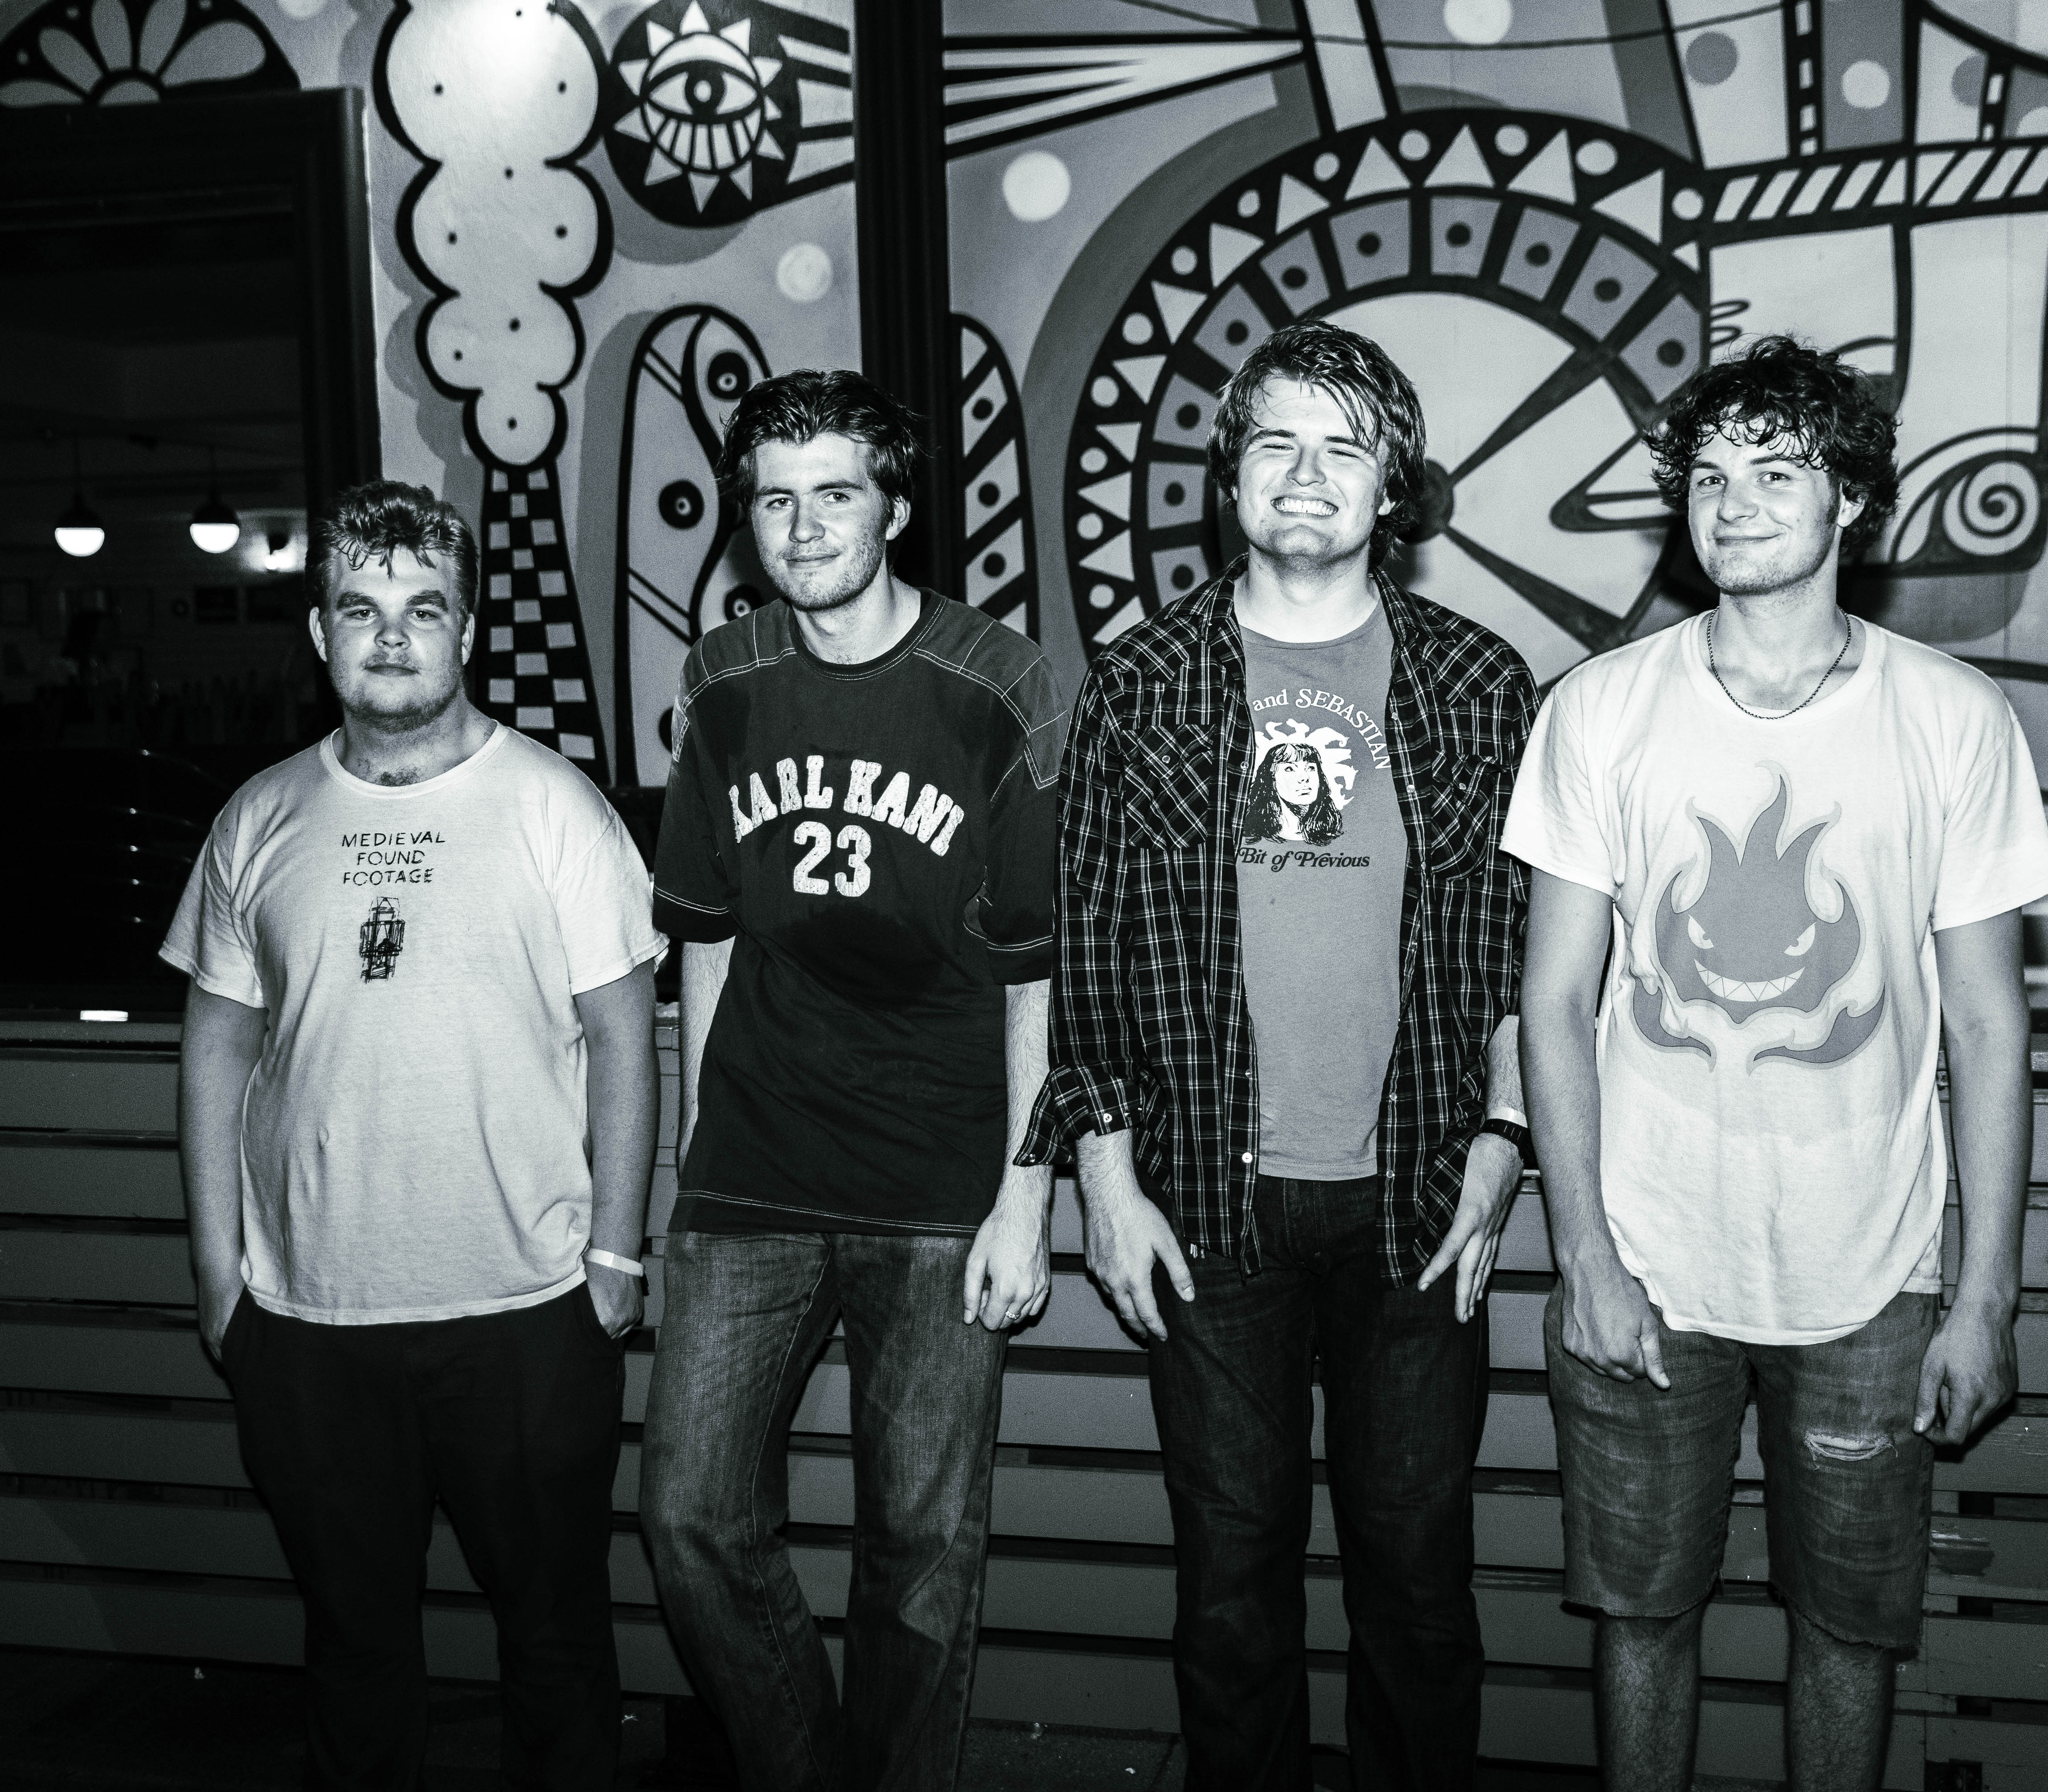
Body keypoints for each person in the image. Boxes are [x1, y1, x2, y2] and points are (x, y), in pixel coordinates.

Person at [1504, 336, 2048, 1791]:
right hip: (1647, 1259)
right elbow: (1554, 1004)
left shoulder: (1954, 717)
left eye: (1774, 471)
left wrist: (1985, 1297)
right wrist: (1586, 1259)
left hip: (1873, 1281)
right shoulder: (1597, 710)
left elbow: (1990, 1025)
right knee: (1639, 1618)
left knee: (1851, 1633)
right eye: (1707, 476)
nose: (1733, 503)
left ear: (1851, 500)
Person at [1024, 318, 1536, 1791]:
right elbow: (1091, 950)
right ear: (1231, 473)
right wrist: (1105, 1185)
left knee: (1419, 1591)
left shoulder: (1480, 683)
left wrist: (1504, 1146)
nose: (1306, 475)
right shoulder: (1141, 683)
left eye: (1344, 450)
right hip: (1204, 1206)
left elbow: (1526, 945)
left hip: (1420, 1200)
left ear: (1394, 489)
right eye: (1275, 442)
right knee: (1230, 1594)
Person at [168, 479, 663, 1790]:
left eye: (424, 609)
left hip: (528, 1314)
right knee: (354, 1647)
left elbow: (625, 1039)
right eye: (361, 609)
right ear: (319, 634)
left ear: (468, 632)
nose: (392, 636)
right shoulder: (257, 818)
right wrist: (219, 1273)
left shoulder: (557, 807)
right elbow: (216, 1044)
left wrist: (616, 1261)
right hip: (310, 1320)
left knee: (555, 1643)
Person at [638, 370, 1064, 1792]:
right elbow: (705, 934)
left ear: (895, 507)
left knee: (922, 1557)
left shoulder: (995, 681)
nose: (805, 525)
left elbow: (1036, 968)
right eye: (775, 499)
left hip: (942, 1179)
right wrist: (694, 1147)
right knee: (690, 1518)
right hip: (753, 1169)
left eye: (836, 493)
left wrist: (1024, 1195)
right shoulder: (722, 677)